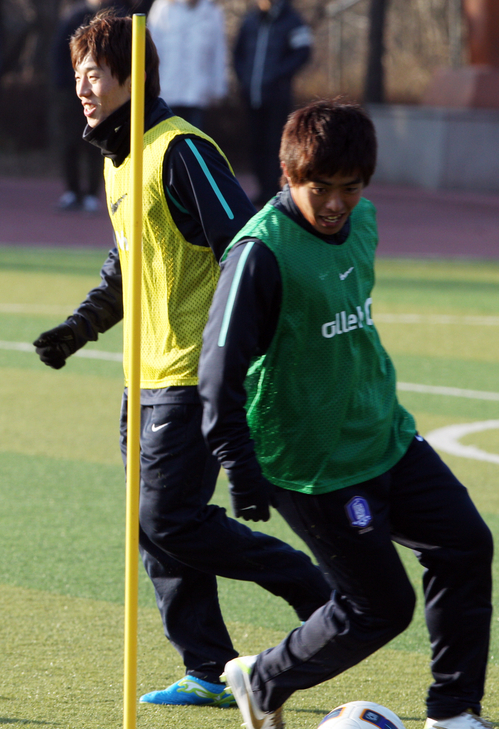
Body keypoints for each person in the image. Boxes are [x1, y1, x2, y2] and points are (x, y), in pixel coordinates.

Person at [33, 14, 331, 709]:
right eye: (78, 72)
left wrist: (244, 348)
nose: (82, 85)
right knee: (152, 522)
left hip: (192, 373)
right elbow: (128, 269)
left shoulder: (179, 149)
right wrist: (77, 330)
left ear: (132, 79)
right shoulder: (120, 160)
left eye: (94, 73)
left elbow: (244, 244)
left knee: (169, 518)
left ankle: (314, 587)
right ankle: (208, 665)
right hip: (142, 374)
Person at [198, 99, 493, 729]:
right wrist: (240, 469)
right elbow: (218, 374)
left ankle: (453, 713)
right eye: (318, 188)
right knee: (380, 608)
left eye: (350, 188)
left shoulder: (365, 223)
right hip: (315, 464)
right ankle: (262, 677)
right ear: (287, 176)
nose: (335, 203)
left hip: (384, 435)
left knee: (467, 546)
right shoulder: (259, 254)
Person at [51, 0, 130, 213]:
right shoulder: (73, 17)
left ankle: (93, 193)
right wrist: (69, 84)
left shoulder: (118, 16)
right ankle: (72, 190)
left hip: (101, 94)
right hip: (70, 94)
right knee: (69, 142)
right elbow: (59, 51)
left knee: (98, 142)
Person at [233, 0, 311, 207]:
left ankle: (275, 190)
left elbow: (303, 52)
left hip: (277, 97)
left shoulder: (292, 20)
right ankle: (262, 189)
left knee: (274, 144)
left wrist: (279, 75)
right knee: (255, 144)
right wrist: (243, 78)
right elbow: (238, 53)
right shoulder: (249, 21)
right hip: (251, 95)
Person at [148, 0, 227, 131]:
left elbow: (218, 52)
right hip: (167, 92)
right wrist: (151, 85)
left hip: (198, 93)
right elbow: (152, 50)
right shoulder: (163, 7)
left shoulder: (212, 11)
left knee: (195, 141)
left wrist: (218, 89)